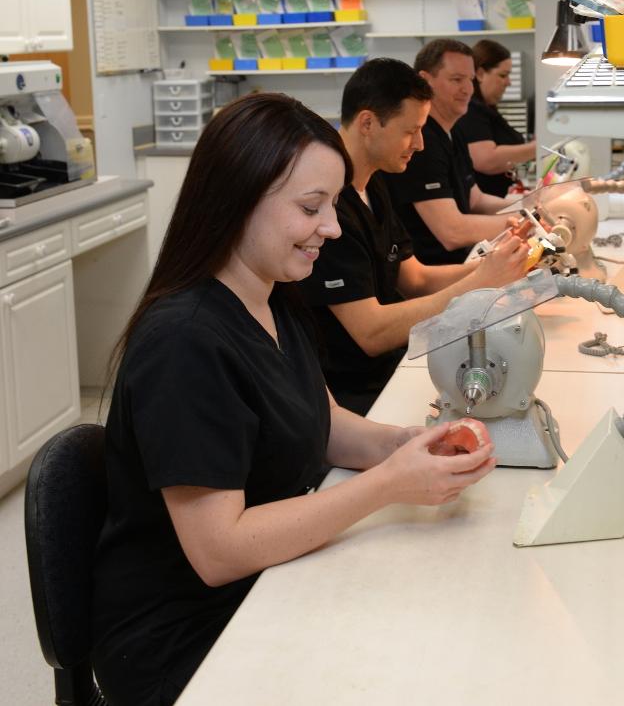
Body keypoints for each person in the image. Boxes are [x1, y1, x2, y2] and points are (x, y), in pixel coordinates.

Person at [91, 92, 497, 706]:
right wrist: (389, 485)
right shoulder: (184, 342)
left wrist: (410, 445)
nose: (331, 228)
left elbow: (322, 421)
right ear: (237, 200)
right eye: (311, 207)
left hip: (266, 584)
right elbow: (219, 550)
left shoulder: (274, 294)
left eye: (333, 205)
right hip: (189, 641)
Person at [298, 59, 528, 415]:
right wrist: (480, 282)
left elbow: (415, 279)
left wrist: (497, 267)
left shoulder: (373, 185)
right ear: (368, 123)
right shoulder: (330, 207)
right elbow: (371, 333)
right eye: (411, 131)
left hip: (389, 370)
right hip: (352, 396)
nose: (419, 144)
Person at [385, 39, 522, 266]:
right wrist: (527, 220)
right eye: (457, 80)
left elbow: (476, 200)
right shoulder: (422, 142)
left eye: (470, 79)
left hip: (461, 261)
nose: (468, 89)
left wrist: (530, 207)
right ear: (425, 81)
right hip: (434, 271)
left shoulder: (453, 131)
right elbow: (452, 232)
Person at [453, 39, 536, 197]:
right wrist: (537, 148)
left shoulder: (487, 109)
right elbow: (486, 160)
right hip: (486, 203)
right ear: (480, 74)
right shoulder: (471, 110)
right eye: (503, 75)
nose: (508, 82)